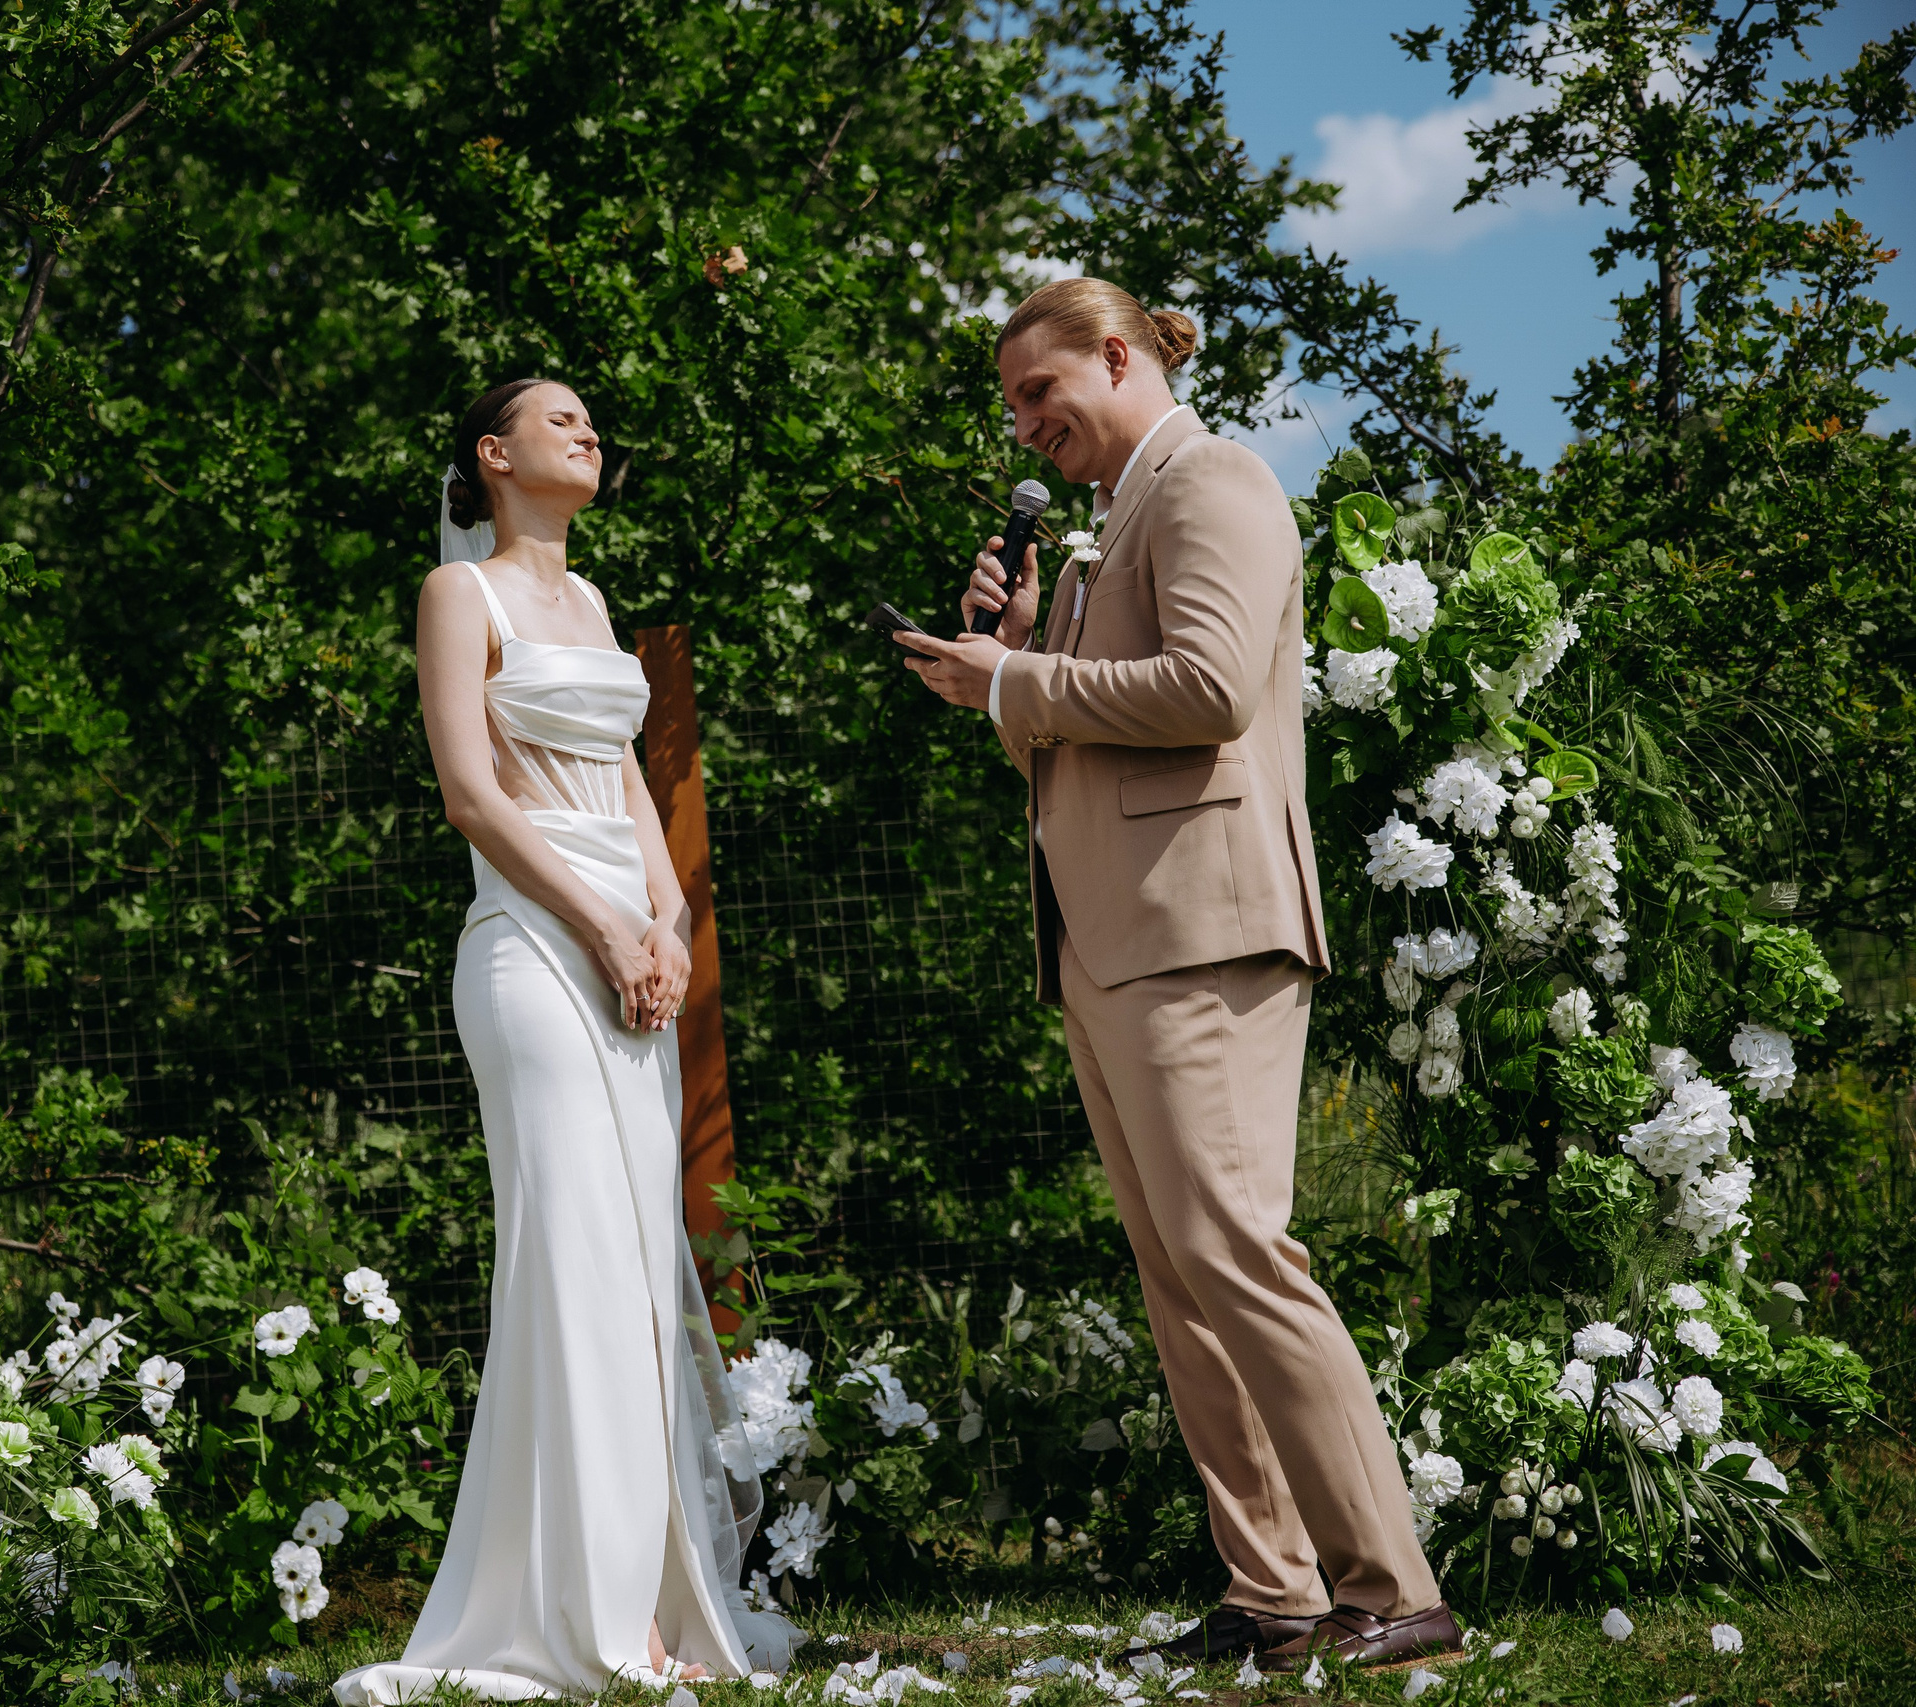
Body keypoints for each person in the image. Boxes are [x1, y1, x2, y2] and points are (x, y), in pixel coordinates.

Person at [896, 279, 1462, 1674]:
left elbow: (1207, 692)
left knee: (1239, 1255)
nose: (1027, 425)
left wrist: (1007, 686)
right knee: (1179, 1273)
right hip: (1108, 937)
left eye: (1043, 392)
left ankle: (1394, 1587)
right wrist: (1019, 655)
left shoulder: (1213, 479)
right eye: (1013, 405)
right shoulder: (1097, 541)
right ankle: (1273, 1590)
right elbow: (1078, 739)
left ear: (1118, 353)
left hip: (1205, 927)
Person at [333, 380, 803, 1705]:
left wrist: (667, 925)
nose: (590, 432)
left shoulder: (595, 609)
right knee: (573, 1258)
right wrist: (601, 925)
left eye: (596, 420)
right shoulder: (459, 598)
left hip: (629, 954)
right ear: (491, 455)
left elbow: (631, 786)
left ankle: (654, 1597)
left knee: (640, 1273)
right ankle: (579, 1616)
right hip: (534, 954)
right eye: (559, 419)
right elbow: (474, 795)